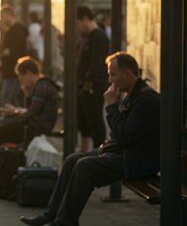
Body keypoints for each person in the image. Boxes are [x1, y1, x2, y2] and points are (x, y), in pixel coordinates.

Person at [21, 52, 160, 226]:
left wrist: (111, 107)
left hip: (137, 159)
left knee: (84, 166)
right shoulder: (133, 94)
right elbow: (121, 134)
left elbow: (125, 136)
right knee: (72, 160)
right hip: (122, 151)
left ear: (128, 74)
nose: (110, 80)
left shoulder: (145, 99)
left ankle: (65, 222)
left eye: (113, 74)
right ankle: (51, 214)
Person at [0, 57, 59, 187]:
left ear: (29, 74)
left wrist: (15, 112)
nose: (20, 80)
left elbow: (31, 113)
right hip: (34, 124)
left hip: (36, 127)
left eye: (21, 77)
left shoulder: (42, 87)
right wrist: (19, 108)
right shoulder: (41, 85)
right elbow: (32, 111)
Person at [76, 6, 110, 152]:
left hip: (93, 87)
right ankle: (85, 152)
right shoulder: (87, 38)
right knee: (85, 123)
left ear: (85, 19)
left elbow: (97, 62)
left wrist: (88, 83)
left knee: (95, 122)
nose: (76, 27)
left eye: (76, 23)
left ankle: (98, 151)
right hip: (85, 86)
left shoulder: (98, 37)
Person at [0, 5, 30, 107]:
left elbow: (14, 51)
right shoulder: (16, 30)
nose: (2, 20)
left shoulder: (16, 31)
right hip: (11, 70)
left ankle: (12, 121)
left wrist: (5, 52)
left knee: (8, 98)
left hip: (12, 70)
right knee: (10, 97)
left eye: (2, 16)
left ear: (9, 15)